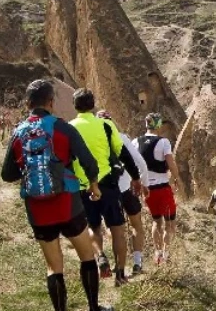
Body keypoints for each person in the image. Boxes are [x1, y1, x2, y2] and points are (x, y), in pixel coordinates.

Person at [1, 79, 115, 311]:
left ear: (28, 104)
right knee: (87, 256)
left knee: (54, 267)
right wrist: (94, 187)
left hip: (38, 210)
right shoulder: (62, 128)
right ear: (51, 102)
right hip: (68, 204)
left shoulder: (18, 133)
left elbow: (7, 174)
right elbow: (88, 162)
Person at [69, 90, 142, 286]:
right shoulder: (106, 125)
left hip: (83, 187)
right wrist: (135, 177)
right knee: (117, 229)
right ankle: (120, 275)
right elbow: (123, 153)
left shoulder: (70, 128)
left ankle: (100, 255)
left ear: (74, 106)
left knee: (93, 227)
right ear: (93, 105)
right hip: (108, 184)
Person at [97, 110, 149, 275]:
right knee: (136, 225)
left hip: (106, 190)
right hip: (127, 188)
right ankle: (137, 263)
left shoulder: (94, 140)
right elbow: (141, 163)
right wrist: (143, 183)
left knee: (114, 228)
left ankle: (117, 265)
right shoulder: (122, 138)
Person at [136, 113, 181, 265]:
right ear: (158, 125)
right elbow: (170, 161)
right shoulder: (163, 142)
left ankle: (157, 254)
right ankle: (166, 254)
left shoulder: (136, 141)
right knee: (170, 223)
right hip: (162, 187)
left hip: (147, 189)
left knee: (156, 221)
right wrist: (176, 178)